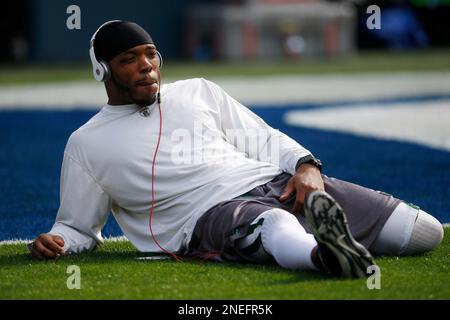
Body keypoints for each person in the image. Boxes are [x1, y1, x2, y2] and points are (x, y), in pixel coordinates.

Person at [29, 21, 444, 278]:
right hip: (207, 215)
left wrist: (305, 165)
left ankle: (324, 236)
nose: (146, 66)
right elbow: (79, 227)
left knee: (424, 233)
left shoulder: (198, 91)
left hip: (272, 181)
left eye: (151, 55)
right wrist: (55, 241)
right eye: (129, 59)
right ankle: (326, 256)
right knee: (274, 225)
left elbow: (262, 137)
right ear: (101, 69)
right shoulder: (86, 143)